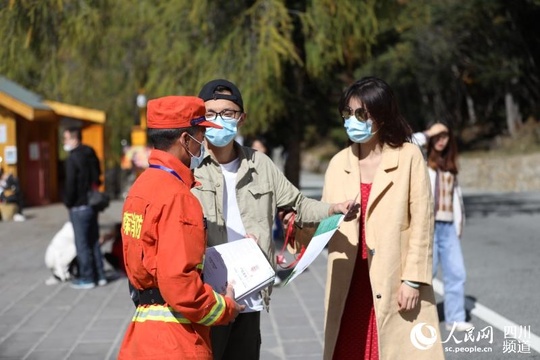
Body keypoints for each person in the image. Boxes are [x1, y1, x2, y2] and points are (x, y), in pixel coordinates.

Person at [193, 79, 353, 360]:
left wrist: (333, 209)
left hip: (250, 291)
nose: (219, 120)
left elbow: (299, 205)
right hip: (208, 296)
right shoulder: (191, 168)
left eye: (227, 113)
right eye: (211, 113)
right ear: (200, 120)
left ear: (241, 119)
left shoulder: (261, 164)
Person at [317, 77, 444, 359]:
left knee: (393, 350)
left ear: (382, 116)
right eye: (347, 114)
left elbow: (423, 222)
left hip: (392, 278)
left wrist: (413, 280)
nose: (352, 120)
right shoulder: (338, 163)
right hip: (349, 279)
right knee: (348, 349)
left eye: (361, 114)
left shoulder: (408, 156)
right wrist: (296, 236)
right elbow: (322, 221)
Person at [118, 96, 244, 360]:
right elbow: (180, 285)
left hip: (141, 336)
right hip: (177, 341)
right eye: (202, 135)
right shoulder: (179, 197)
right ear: (186, 140)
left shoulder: (139, 189)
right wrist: (225, 307)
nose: (204, 144)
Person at [413, 122, 473, 332]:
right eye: (437, 136)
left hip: (448, 228)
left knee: (457, 273)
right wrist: (428, 132)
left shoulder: (450, 167)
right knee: (423, 275)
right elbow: (408, 142)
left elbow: (457, 200)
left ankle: (455, 318)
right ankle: (418, 319)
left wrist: (458, 226)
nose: (441, 140)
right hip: (427, 227)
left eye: (445, 136)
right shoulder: (420, 161)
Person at [62, 127, 107, 289]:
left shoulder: (73, 158)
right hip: (92, 203)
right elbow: (98, 176)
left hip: (79, 205)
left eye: (66, 139)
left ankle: (87, 277)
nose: (64, 142)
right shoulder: (90, 152)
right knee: (94, 240)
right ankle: (100, 274)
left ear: (74, 139)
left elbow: (70, 184)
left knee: (82, 244)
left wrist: (68, 201)